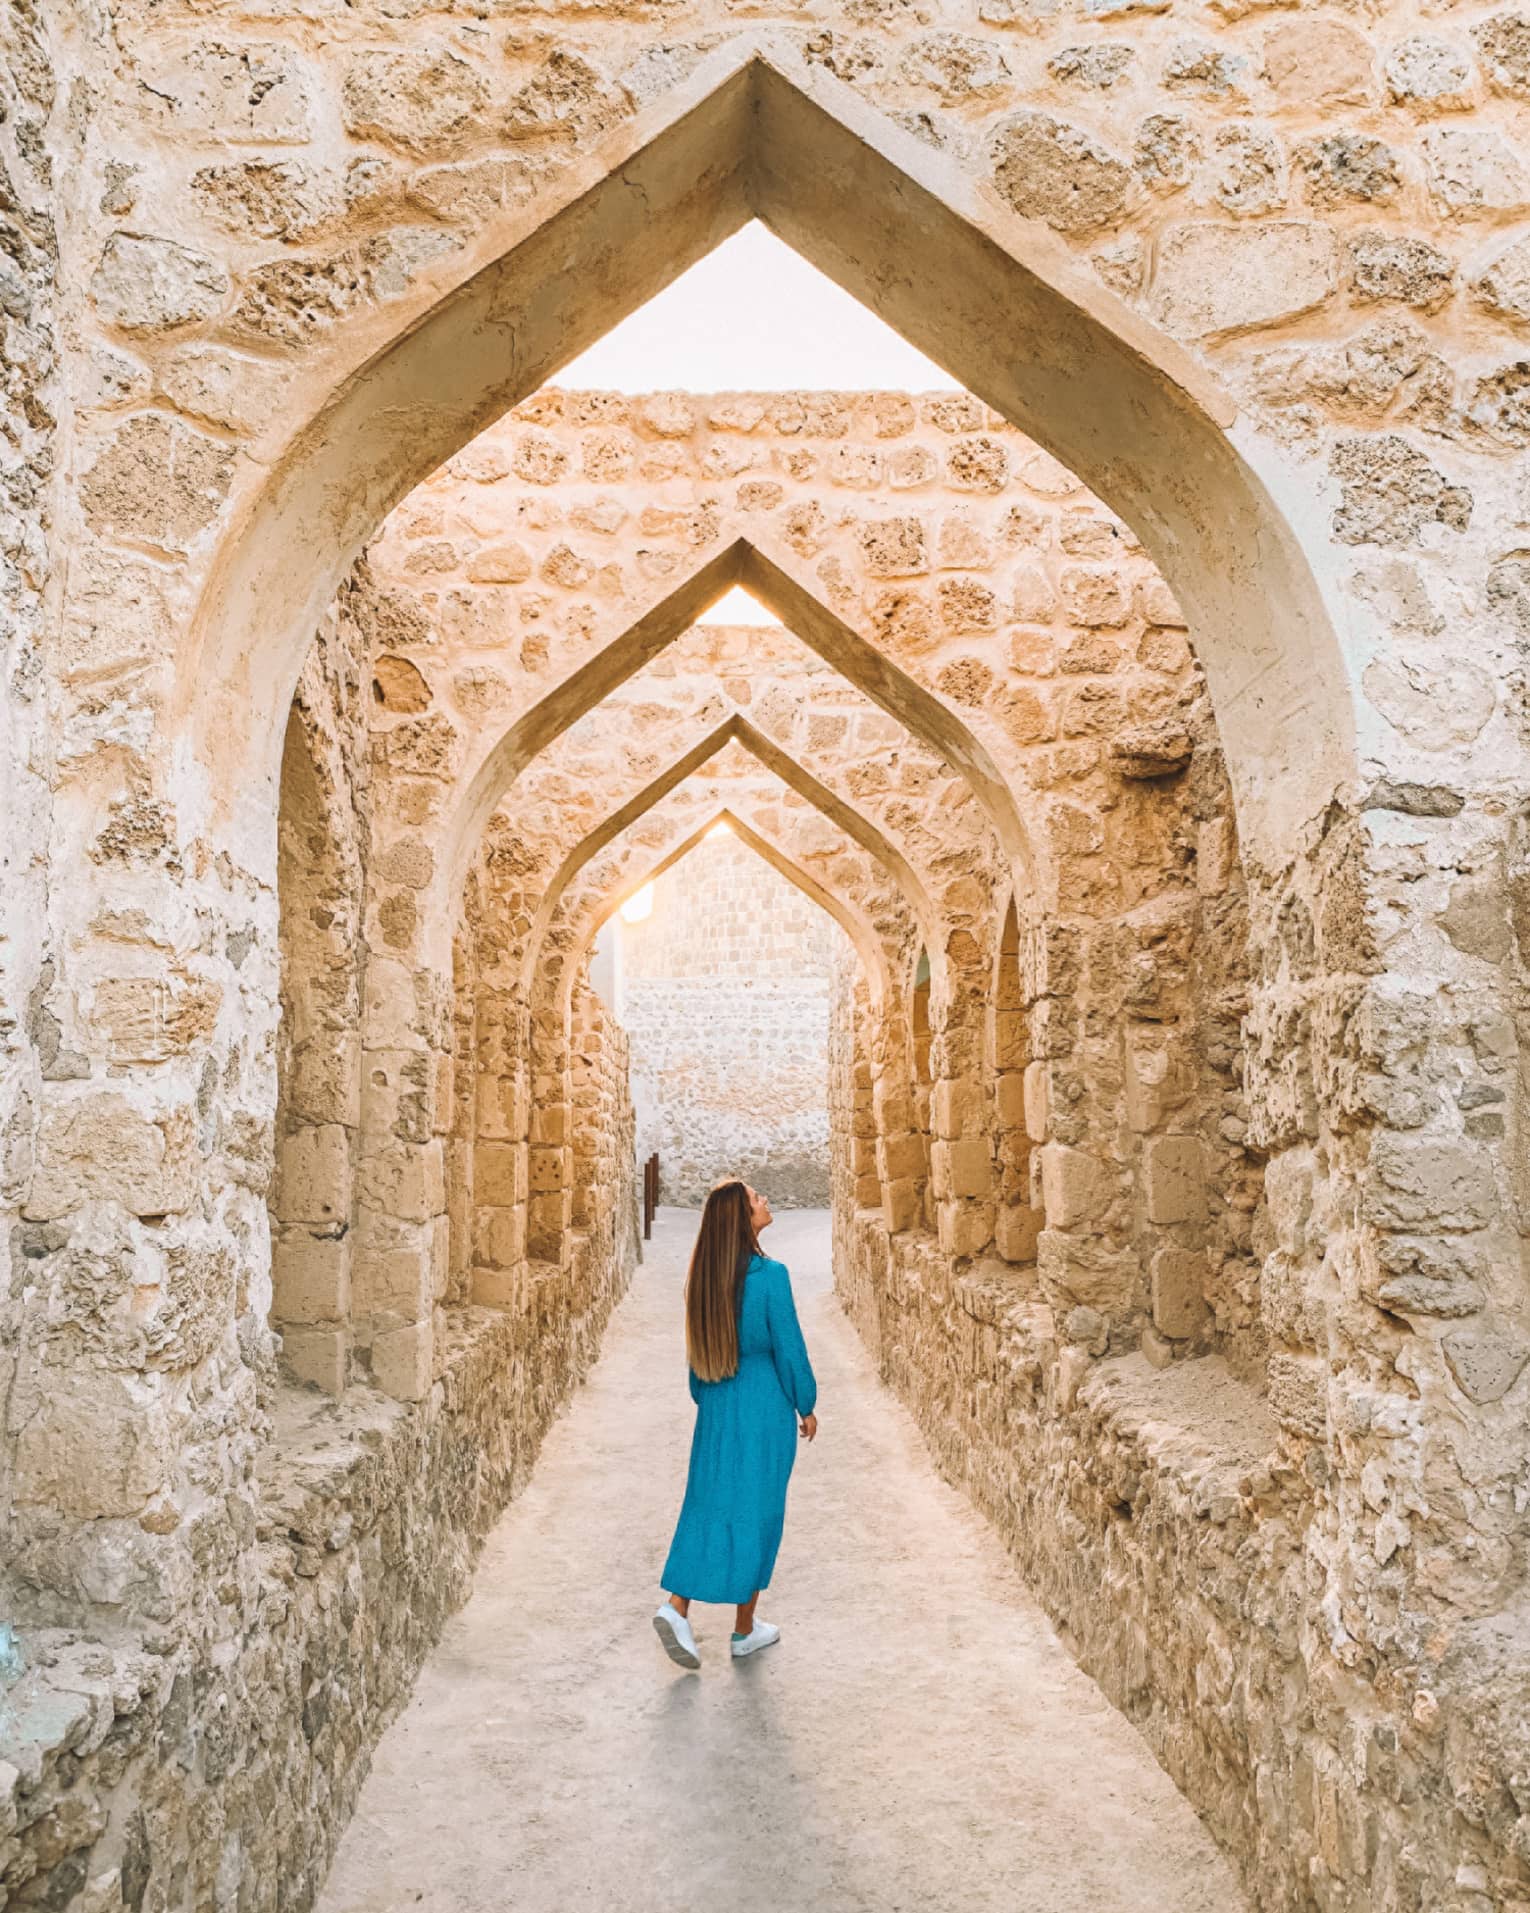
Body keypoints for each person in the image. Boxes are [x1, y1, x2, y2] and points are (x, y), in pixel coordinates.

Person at [653, 1179, 818, 1667]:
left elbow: (695, 1369)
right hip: (764, 1410)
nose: (765, 1201)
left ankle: (677, 1606)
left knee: (706, 1505)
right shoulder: (770, 1277)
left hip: (718, 1406)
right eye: (755, 1200)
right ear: (742, 1220)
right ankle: (744, 1630)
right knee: (760, 1512)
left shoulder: (702, 1282)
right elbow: (790, 1348)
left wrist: (710, 1399)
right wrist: (805, 1403)